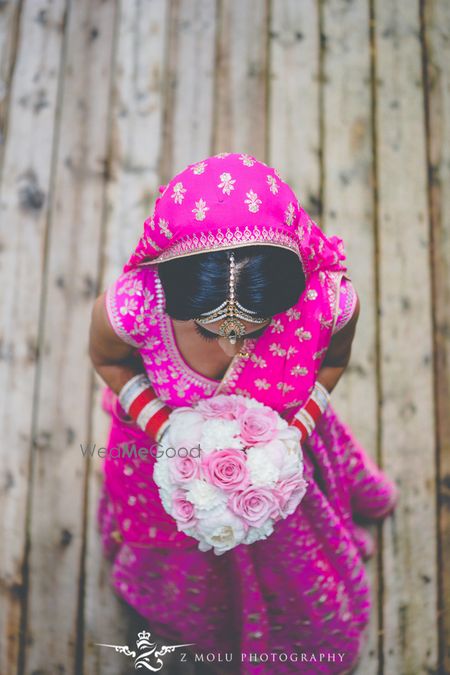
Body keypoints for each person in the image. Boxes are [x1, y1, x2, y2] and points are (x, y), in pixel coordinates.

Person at [89, 152, 398, 674]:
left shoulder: (328, 305)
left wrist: (291, 436)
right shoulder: (135, 307)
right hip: (173, 468)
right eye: (210, 330)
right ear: (172, 289)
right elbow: (108, 361)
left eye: (254, 329)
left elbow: (333, 364)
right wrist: (168, 429)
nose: (232, 345)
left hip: (281, 476)